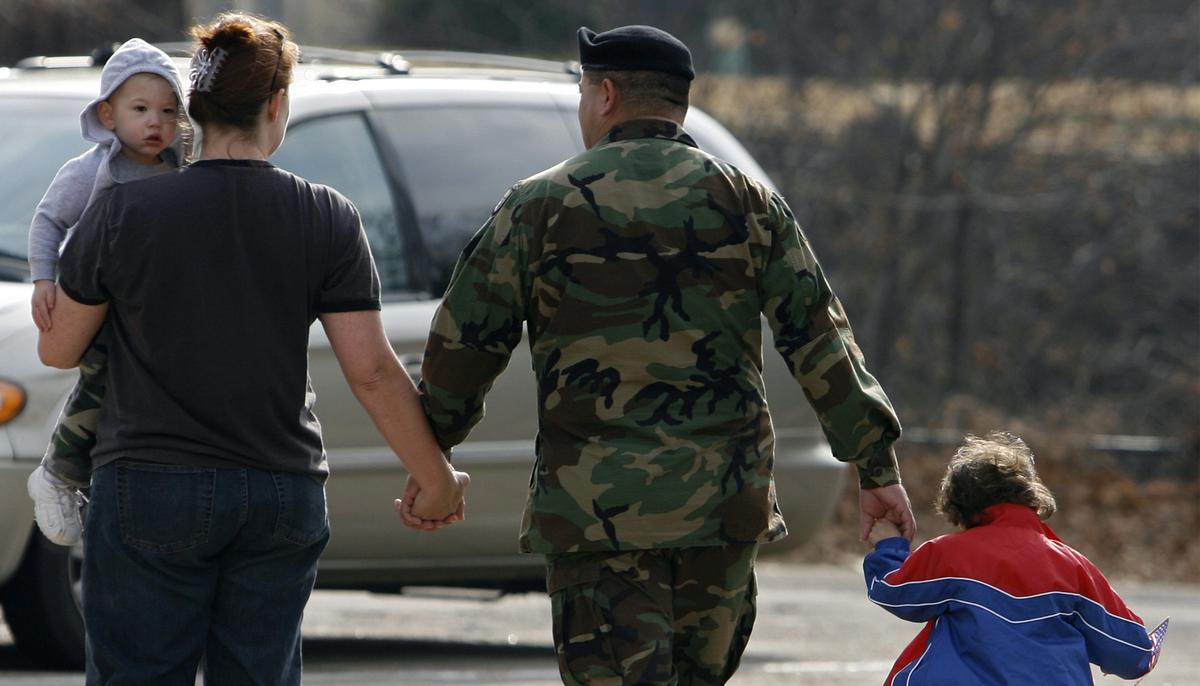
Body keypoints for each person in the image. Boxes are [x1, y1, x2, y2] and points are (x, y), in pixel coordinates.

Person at [407, 24, 916, 685]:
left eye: (585, 91)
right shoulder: (748, 202)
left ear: (606, 95)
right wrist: (876, 466)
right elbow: (820, 338)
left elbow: (465, 346)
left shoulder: (540, 206)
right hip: (722, 513)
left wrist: (432, 454)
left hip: (599, 515)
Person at [37, 13, 467, 684]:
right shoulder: (326, 215)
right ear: (275, 104)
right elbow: (374, 373)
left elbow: (59, 351)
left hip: (150, 483)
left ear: (196, 109)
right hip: (280, 491)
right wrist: (435, 479)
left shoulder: (121, 213)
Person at [26, 37, 189, 547]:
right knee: (100, 378)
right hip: (96, 302)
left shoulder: (184, 168)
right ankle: (58, 472)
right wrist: (43, 279)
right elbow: (48, 220)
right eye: (140, 110)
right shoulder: (90, 169)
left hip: (154, 305)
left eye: (168, 111)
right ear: (107, 114)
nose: (155, 122)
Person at [865, 432, 1161, 685]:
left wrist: (889, 545)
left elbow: (892, 591)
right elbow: (1132, 653)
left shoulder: (950, 554)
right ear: (1031, 496)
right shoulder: (1073, 567)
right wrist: (1152, 643)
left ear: (958, 506)